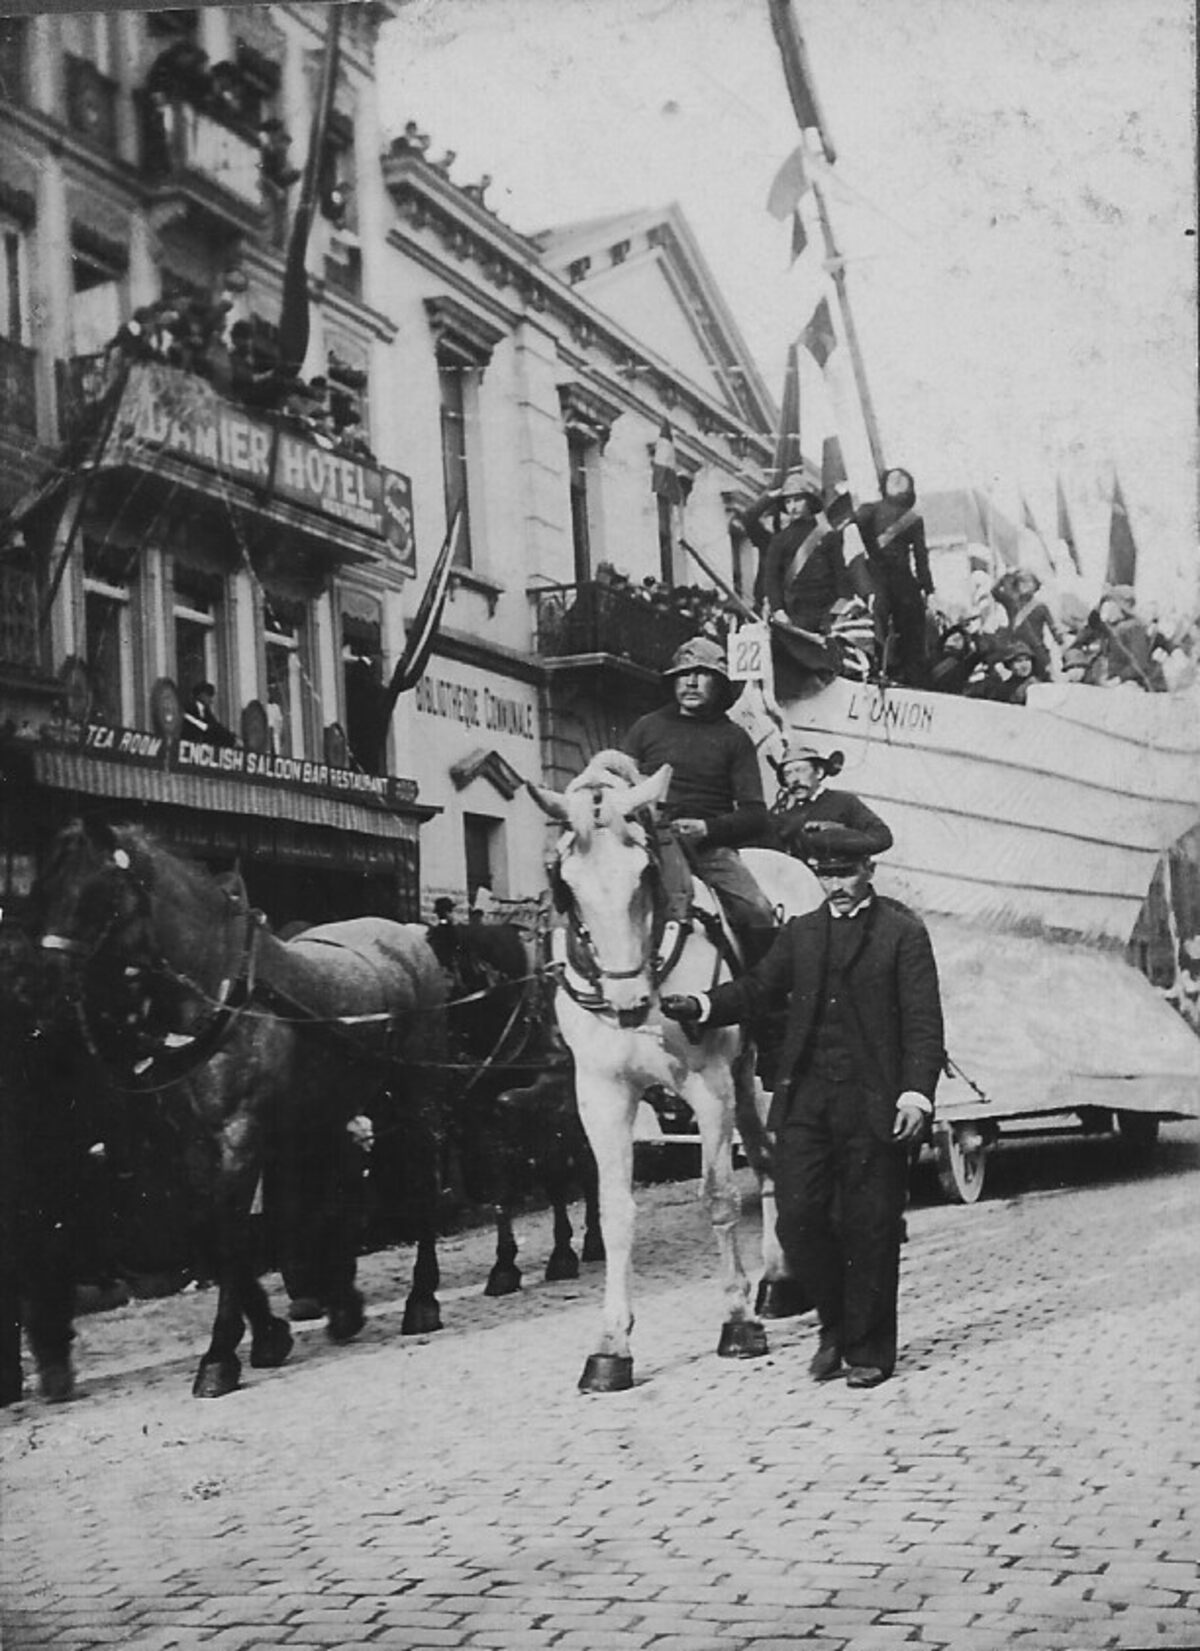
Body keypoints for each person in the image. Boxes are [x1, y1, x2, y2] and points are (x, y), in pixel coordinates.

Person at [660, 826, 943, 1387]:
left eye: (845, 873)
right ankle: (835, 1326)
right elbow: (757, 988)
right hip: (806, 1099)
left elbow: (923, 1021)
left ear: (869, 872)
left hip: (875, 1099)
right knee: (798, 1219)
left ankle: (867, 1350)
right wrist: (702, 1004)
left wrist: (916, 1094)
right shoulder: (804, 933)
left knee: (870, 1225)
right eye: (826, 874)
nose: (835, 885)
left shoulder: (902, 933)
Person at [622, 635, 774, 960]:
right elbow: (620, 789)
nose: (690, 682)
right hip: (647, 842)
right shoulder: (645, 728)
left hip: (708, 850)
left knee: (758, 910)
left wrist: (707, 828)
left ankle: (763, 987)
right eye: (682, 675)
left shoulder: (735, 738)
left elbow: (755, 814)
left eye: (702, 674)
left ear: (719, 685)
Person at [736, 470, 848, 635]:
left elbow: (840, 573)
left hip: (827, 613)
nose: (793, 506)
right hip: (794, 615)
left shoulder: (827, 535)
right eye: (788, 502)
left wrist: (841, 607)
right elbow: (772, 579)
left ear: (809, 501)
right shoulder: (778, 540)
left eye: (798, 500)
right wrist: (778, 610)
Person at [855, 467, 934, 687]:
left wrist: (928, 588)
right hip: (876, 574)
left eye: (902, 478)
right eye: (893, 478)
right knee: (877, 618)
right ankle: (877, 668)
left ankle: (912, 675)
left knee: (913, 622)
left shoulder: (913, 519)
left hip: (902, 576)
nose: (897, 480)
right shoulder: (869, 511)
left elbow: (921, 555)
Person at [768, 743, 894, 865]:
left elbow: (882, 838)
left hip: (845, 875)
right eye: (788, 774)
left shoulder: (844, 801)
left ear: (819, 773)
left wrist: (837, 834)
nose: (794, 779)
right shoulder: (783, 818)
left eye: (800, 770)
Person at [182, 682, 237, 748]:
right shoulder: (188, 709)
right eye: (209, 695)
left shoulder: (207, 712)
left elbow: (217, 727)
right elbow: (206, 728)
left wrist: (233, 738)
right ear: (201, 695)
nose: (211, 700)